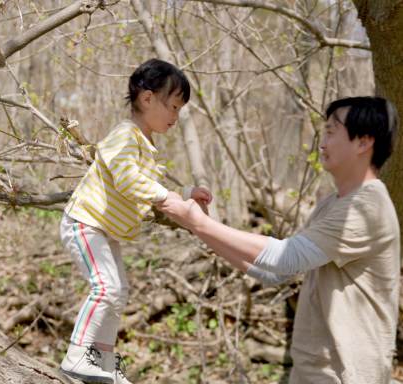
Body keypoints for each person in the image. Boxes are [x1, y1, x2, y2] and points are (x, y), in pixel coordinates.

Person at [157, 96, 400, 383]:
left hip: (347, 375)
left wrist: (198, 222)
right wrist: (199, 226)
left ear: (363, 143)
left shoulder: (367, 206)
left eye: (332, 132)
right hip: (311, 371)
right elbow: (276, 272)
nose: (322, 142)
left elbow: (284, 258)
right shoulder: (332, 204)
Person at [58, 58, 212, 384]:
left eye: (180, 110)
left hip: (104, 230)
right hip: (84, 223)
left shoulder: (145, 144)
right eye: (172, 107)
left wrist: (186, 193)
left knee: (119, 291)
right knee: (106, 288)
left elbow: (148, 181)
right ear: (147, 99)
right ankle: (77, 355)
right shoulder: (125, 135)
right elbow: (129, 180)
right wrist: (166, 198)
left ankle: (101, 360)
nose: (175, 116)